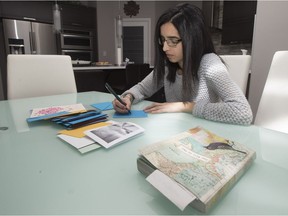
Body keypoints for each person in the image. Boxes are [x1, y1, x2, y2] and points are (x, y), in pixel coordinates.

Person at [112, 3, 253, 125]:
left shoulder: (209, 63)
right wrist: (127, 98)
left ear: (192, 39)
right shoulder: (169, 67)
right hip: (177, 132)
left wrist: (184, 106)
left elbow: (243, 112)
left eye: (173, 40)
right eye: (163, 40)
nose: (165, 48)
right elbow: (142, 89)